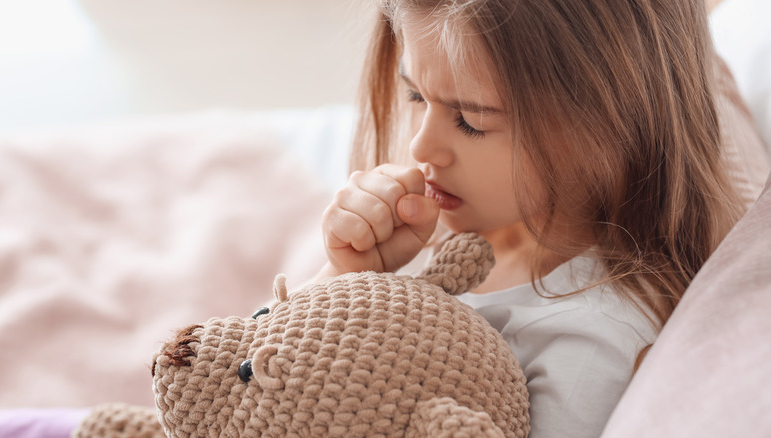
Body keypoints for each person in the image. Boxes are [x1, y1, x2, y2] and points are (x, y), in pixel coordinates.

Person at [313, 0, 746, 436]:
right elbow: (261, 375)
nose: (421, 148)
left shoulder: (589, 336)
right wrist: (344, 272)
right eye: (416, 96)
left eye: (469, 121)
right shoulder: (426, 235)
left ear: (605, 126)